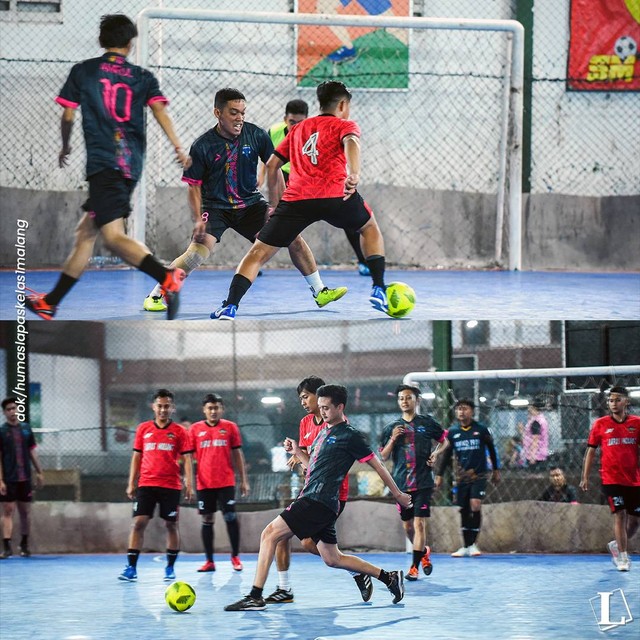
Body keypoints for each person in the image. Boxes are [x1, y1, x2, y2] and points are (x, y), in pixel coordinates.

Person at [25, 14, 190, 322]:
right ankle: (50, 302)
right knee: (85, 233)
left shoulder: (84, 71)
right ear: (130, 42)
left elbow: (68, 116)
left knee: (113, 237)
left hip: (104, 164)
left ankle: (167, 278)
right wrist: (178, 147)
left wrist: (65, 144)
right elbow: (159, 112)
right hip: (130, 165)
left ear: (102, 39)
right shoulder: (142, 77)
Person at [142, 87, 346, 314]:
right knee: (196, 254)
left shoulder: (257, 135)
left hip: (251, 206)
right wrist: (198, 218)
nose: (239, 118)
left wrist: (280, 206)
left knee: (293, 238)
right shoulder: (202, 146)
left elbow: (275, 169)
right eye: (233, 112)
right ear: (217, 113)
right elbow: (194, 186)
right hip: (215, 208)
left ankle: (320, 291)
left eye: (242, 112)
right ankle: (157, 294)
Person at [212, 80, 390, 320]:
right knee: (369, 227)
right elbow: (351, 142)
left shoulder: (297, 129)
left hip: (297, 200)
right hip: (336, 196)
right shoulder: (345, 124)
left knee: (257, 253)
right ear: (343, 105)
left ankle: (230, 306)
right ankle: (378, 288)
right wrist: (354, 173)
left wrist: (275, 205)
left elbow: (273, 165)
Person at [224, 384, 411, 611]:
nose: (322, 412)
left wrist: (398, 494)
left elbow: (378, 466)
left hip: (318, 501)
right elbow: (312, 468)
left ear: (340, 407)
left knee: (270, 534)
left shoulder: (350, 436)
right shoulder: (323, 431)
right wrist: (297, 451)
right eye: (320, 407)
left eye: (326, 408)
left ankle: (255, 595)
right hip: (318, 500)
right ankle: (389, 578)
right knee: (332, 558)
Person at [264, 376, 372, 604]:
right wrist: (296, 455)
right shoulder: (305, 423)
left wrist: (307, 460)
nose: (303, 402)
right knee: (295, 540)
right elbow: (307, 458)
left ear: (320, 395)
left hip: (330, 496)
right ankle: (285, 588)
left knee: (289, 537)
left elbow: (331, 459)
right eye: (300, 398)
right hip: (310, 491)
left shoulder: (336, 423)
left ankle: (356, 570)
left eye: (306, 397)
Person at [260, 99, 370, 276]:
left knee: (349, 217)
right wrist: (261, 177)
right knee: (272, 217)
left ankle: (363, 261)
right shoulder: (274, 132)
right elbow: (269, 161)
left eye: (300, 122)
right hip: (284, 177)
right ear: (284, 119)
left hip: (305, 179)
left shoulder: (310, 131)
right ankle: (257, 261)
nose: (295, 125)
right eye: (292, 122)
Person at [118, 389, 193, 582]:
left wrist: (189, 483)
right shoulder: (143, 429)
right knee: (138, 523)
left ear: (172, 408)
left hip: (171, 486)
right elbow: (136, 457)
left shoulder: (179, 432)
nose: (163, 409)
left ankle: (170, 567)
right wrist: (131, 483)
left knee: (171, 524)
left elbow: (187, 459)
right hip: (146, 484)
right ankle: (131, 568)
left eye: (166, 406)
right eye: (159, 406)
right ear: (153, 407)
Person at [379, 384, 448, 580]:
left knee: (419, 525)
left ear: (417, 401)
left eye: (408, 397)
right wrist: (393, 440)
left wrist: (435, 454)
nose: (404, 401)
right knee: (408, 527)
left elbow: (444, 440)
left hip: (424, 482)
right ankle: (424, 552)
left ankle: (414, 567)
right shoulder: (391, 427)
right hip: (401, 486)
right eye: (401, 398)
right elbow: (382, 456)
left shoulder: (427, 423)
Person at [580, 386, 640, 572]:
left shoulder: (637, 423)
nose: (614, 403)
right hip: (611, 479)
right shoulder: (600, 424)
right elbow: (591, 451)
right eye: (611, 400)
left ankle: (616, 544)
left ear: (626, 402)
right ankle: (622, 557)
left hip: (633, 480)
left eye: (618, 400)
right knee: (619, 515)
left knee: (635, 521)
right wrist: (585, 477)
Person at [188, 393, 249, 573]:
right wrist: (189, 483)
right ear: (204, 410)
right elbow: (188, 459)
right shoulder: (194, 429)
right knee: (207, 519)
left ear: (222, 409)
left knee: (230, 517)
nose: (213, 411)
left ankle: (235, 557)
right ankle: (209, 561)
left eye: (216, 408)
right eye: (210, 408)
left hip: (226, 482)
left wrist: (244, 480)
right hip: (204, 484)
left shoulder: (230, 427)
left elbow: (238, 455)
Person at [435, 398, 500, 558]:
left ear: (471, 411)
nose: (461, 412)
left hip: (479, 475)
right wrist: (439, 475)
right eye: (458, 409)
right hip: (462, 478)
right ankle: (465, 545)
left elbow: (491, 449)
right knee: (464, 509)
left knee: (475, 505)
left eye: (464, 409)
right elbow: (446, 455)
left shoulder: (481, 430)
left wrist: (496, 470)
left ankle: (473, 544)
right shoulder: (453, 432)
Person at [0, 398, 45, 559]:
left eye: (14, 408)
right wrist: (1, 480)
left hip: (24, 478)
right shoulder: (2, 431)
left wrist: (39, 472)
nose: (12, 411)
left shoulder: (26, 429)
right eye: (9, 409)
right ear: (5, 412)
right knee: (8, 511)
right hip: (9, 479)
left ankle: (24, 545)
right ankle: (7, 547)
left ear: (18, 409)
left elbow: (32, 452)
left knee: (25, 512)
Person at [520, 399, 549, 470]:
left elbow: (535, 440)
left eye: (530, 406)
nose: (528, 409)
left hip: (535, 455)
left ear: (534, 408)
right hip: (539, 453)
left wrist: (533, 456)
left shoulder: (536, 422)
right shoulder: (540, 419)